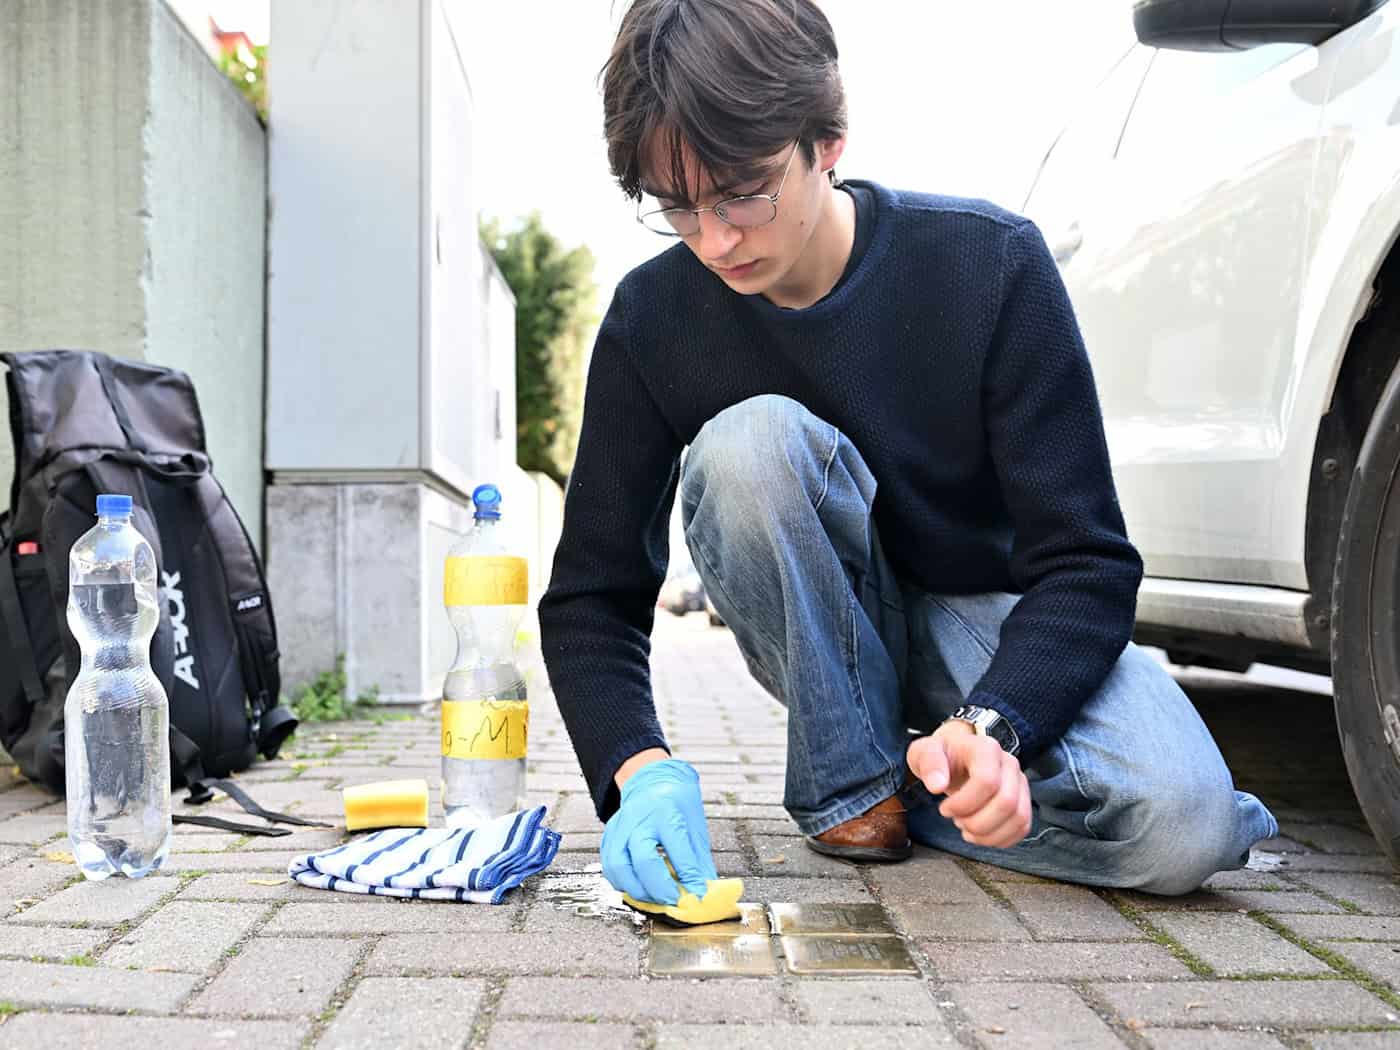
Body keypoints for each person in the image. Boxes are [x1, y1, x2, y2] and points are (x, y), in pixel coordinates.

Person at [537, 0, 1277, 907]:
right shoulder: (653, 317)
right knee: (751, 441)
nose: (716, 239)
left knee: (1184, 832)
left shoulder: (987, 263)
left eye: (743, 192)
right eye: (679, 207)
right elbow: (590, 596)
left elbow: (1087, 561)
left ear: (830, 139)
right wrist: (634, 770)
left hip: (985, 622)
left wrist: (995, 728)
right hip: (822, 635)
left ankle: (922, 785)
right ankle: (850, 791)